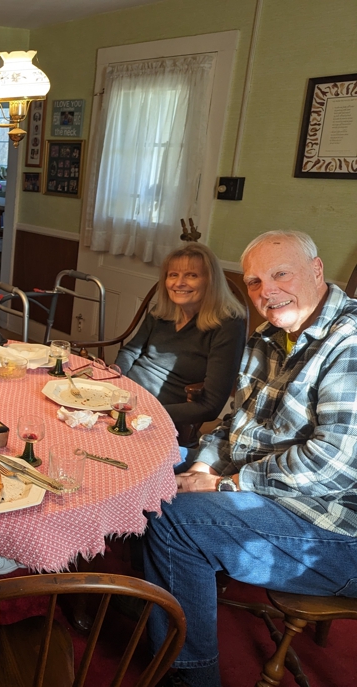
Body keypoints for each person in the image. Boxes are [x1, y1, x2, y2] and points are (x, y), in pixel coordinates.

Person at [143, 231, 357, 687]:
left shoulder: (350, 341)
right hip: (267, 488)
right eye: (256, 281)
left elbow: (332, 462)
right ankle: (151, 593)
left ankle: (189, 676)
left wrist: (226, 483)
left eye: (281, 274)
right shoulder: (272, 335)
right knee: (142, 460)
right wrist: (204, 464)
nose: (266, 292)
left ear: (317, 271)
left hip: (334, 529)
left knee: (174, 517)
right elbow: (235, 423)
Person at [114, 243, 248, 444]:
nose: (179, 283)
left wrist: (146, 411)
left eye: (192, 275)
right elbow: (131, 350)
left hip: (162, 415)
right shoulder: (163, 311)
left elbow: (210, 406)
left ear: (210, 281)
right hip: (125, 399)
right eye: (173, 275)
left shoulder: (228, 324)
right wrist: (115, 375)